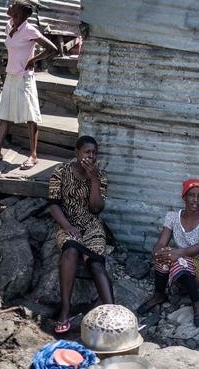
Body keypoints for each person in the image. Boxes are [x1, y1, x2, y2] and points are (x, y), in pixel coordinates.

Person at [48, 136, 114, 333]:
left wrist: (93, 178)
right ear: (77, 152)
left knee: (95, 263)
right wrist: (67, 226)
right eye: (87, 152)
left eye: (94, 153)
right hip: (67, 223)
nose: (91, 156)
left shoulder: (100, 175)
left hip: (92, 225)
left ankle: (111, 312)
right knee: (70, 251)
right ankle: (66, 310)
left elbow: (96, 209)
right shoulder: (61, 171)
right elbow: (53, 204)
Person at [0, 0, 57, 170]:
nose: (9, 6)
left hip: (24, 78)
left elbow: (52, 49)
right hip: (11, 76)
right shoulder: (9, 25)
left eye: (13, 6)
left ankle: (33, 155)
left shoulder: (29, 30)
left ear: (22, 14)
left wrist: (33, 60)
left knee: (30, 117)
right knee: (4, 115)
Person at [136, 179, 199, 327]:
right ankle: (159, 294)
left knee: (179, 260)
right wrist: (157, 253)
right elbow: (162, 243)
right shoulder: (172, 217)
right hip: (180, 264)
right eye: (191, 195)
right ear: (184, 197)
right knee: (165, 256)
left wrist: (177, 254)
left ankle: (197, 302)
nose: (196, 200)